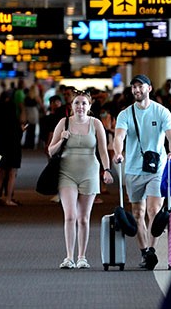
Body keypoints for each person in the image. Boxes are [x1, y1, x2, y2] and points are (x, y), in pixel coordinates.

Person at [112, 74, 171, 270]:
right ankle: (144, 253)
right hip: (133, 169)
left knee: (153, 210)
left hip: (156, 169)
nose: (137, 90)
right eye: (134, 87)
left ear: (149, 88)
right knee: (137, 212)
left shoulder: (161, 112)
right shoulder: (125, 114)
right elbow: (119, 137)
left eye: (140, 86)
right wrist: (118, 152)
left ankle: (151, 250)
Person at [46, 91, 113, 269]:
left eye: (84, 103)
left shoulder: (96, 124)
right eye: (77, 103)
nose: (80, 107)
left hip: (90, 173)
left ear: (89, 107)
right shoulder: (64, 123)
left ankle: (82, 256)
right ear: (71, 106)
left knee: (83, 218)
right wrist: (61, 139)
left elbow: (103, 150)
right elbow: (50, 151)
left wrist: (106, 170)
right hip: (66, 172)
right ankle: (69, 257)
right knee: (70, 216)